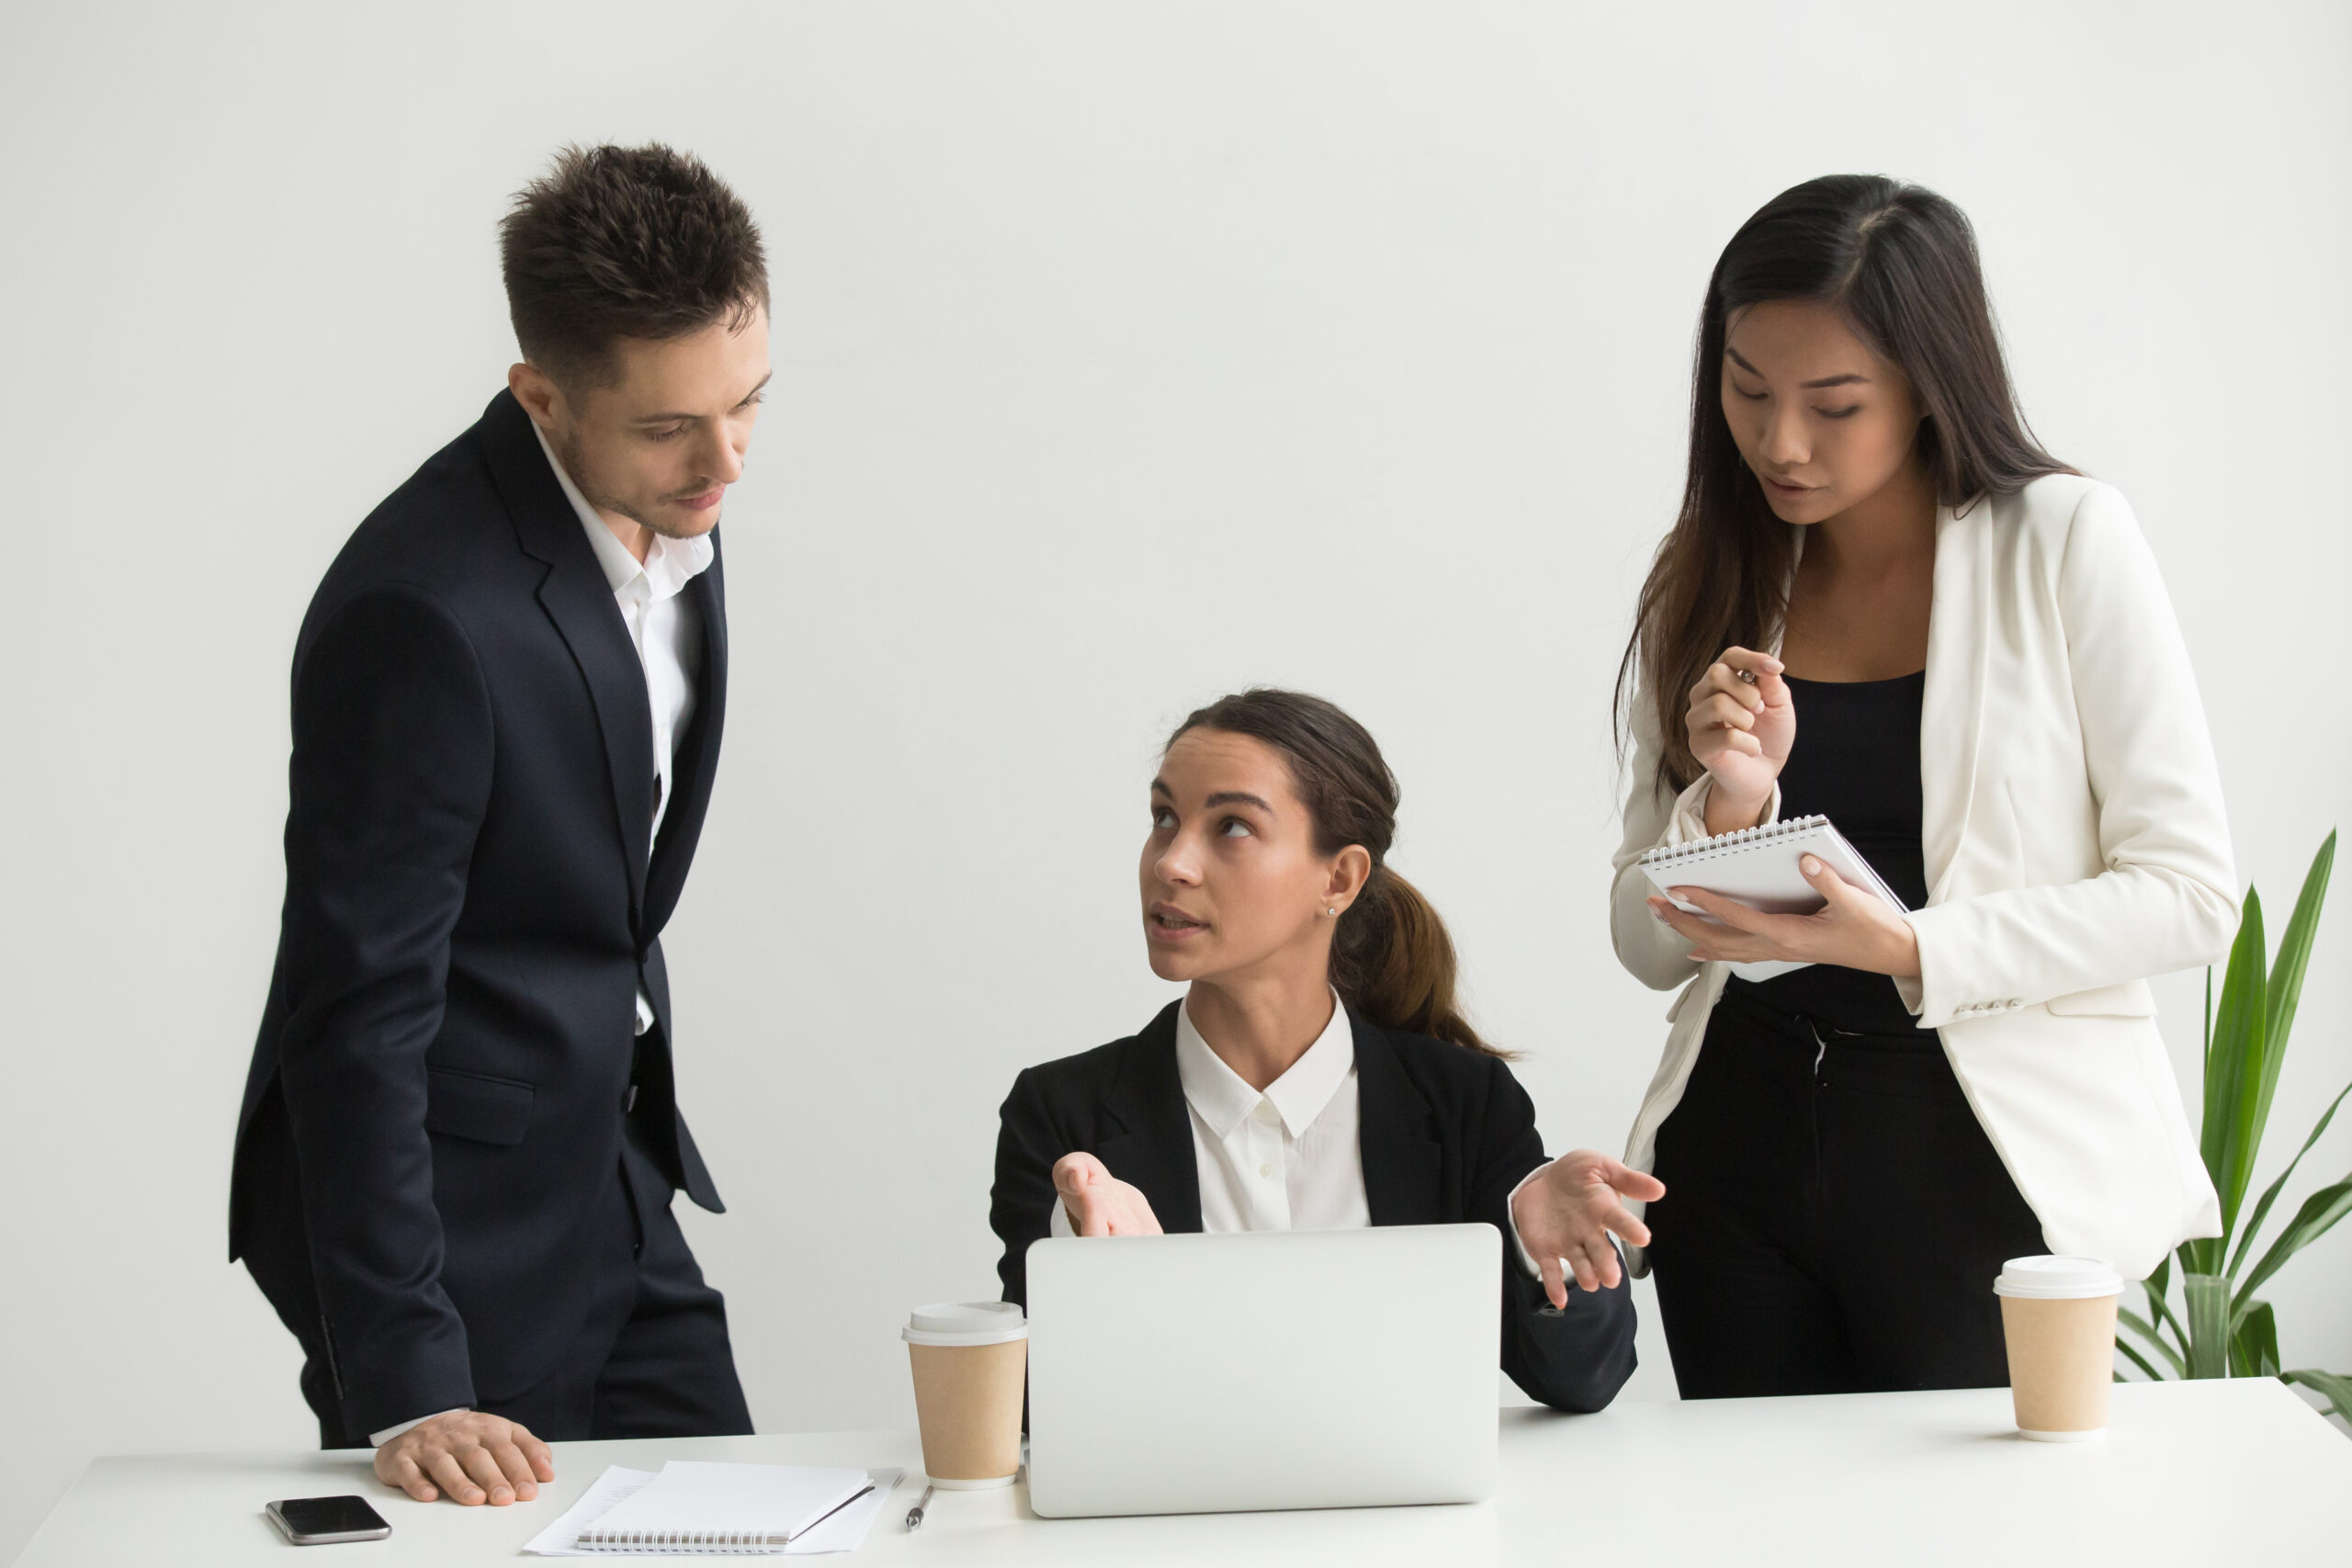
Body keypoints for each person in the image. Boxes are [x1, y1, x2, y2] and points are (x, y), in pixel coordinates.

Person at [1609, 175, 2237, 1399]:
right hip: (1736, 1142)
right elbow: (1645, 946)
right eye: (1747, 390)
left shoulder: (2062, 539)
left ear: (1926, 383)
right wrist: (1728, 804)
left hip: (1982, 1154)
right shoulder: (1712, 571)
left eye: (1834, 404)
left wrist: (1908, 945)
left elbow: (2189, 892)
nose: (1781, 441)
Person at [229, 143, 773, 1505]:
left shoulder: (675, 497)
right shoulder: (422, 615)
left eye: (750, 403)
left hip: (611, 1170)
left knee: (741, 1512)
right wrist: (408, 1374)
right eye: (670, 427)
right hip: (445, 1222)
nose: (726, 460)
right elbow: (356, 1009)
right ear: (541, 394)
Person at [992, 689, 1651, 1413]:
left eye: (1232, 826)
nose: (1171, 862)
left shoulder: (1464, 1102)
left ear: (1338, 878)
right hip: (1174, 1528)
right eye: (1164, 819)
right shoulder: (1063, 1115)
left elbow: (1586, 1380)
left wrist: (1542, 1257)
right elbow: (1027, 1408)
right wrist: (1084, 1273)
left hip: (1414, 1525)